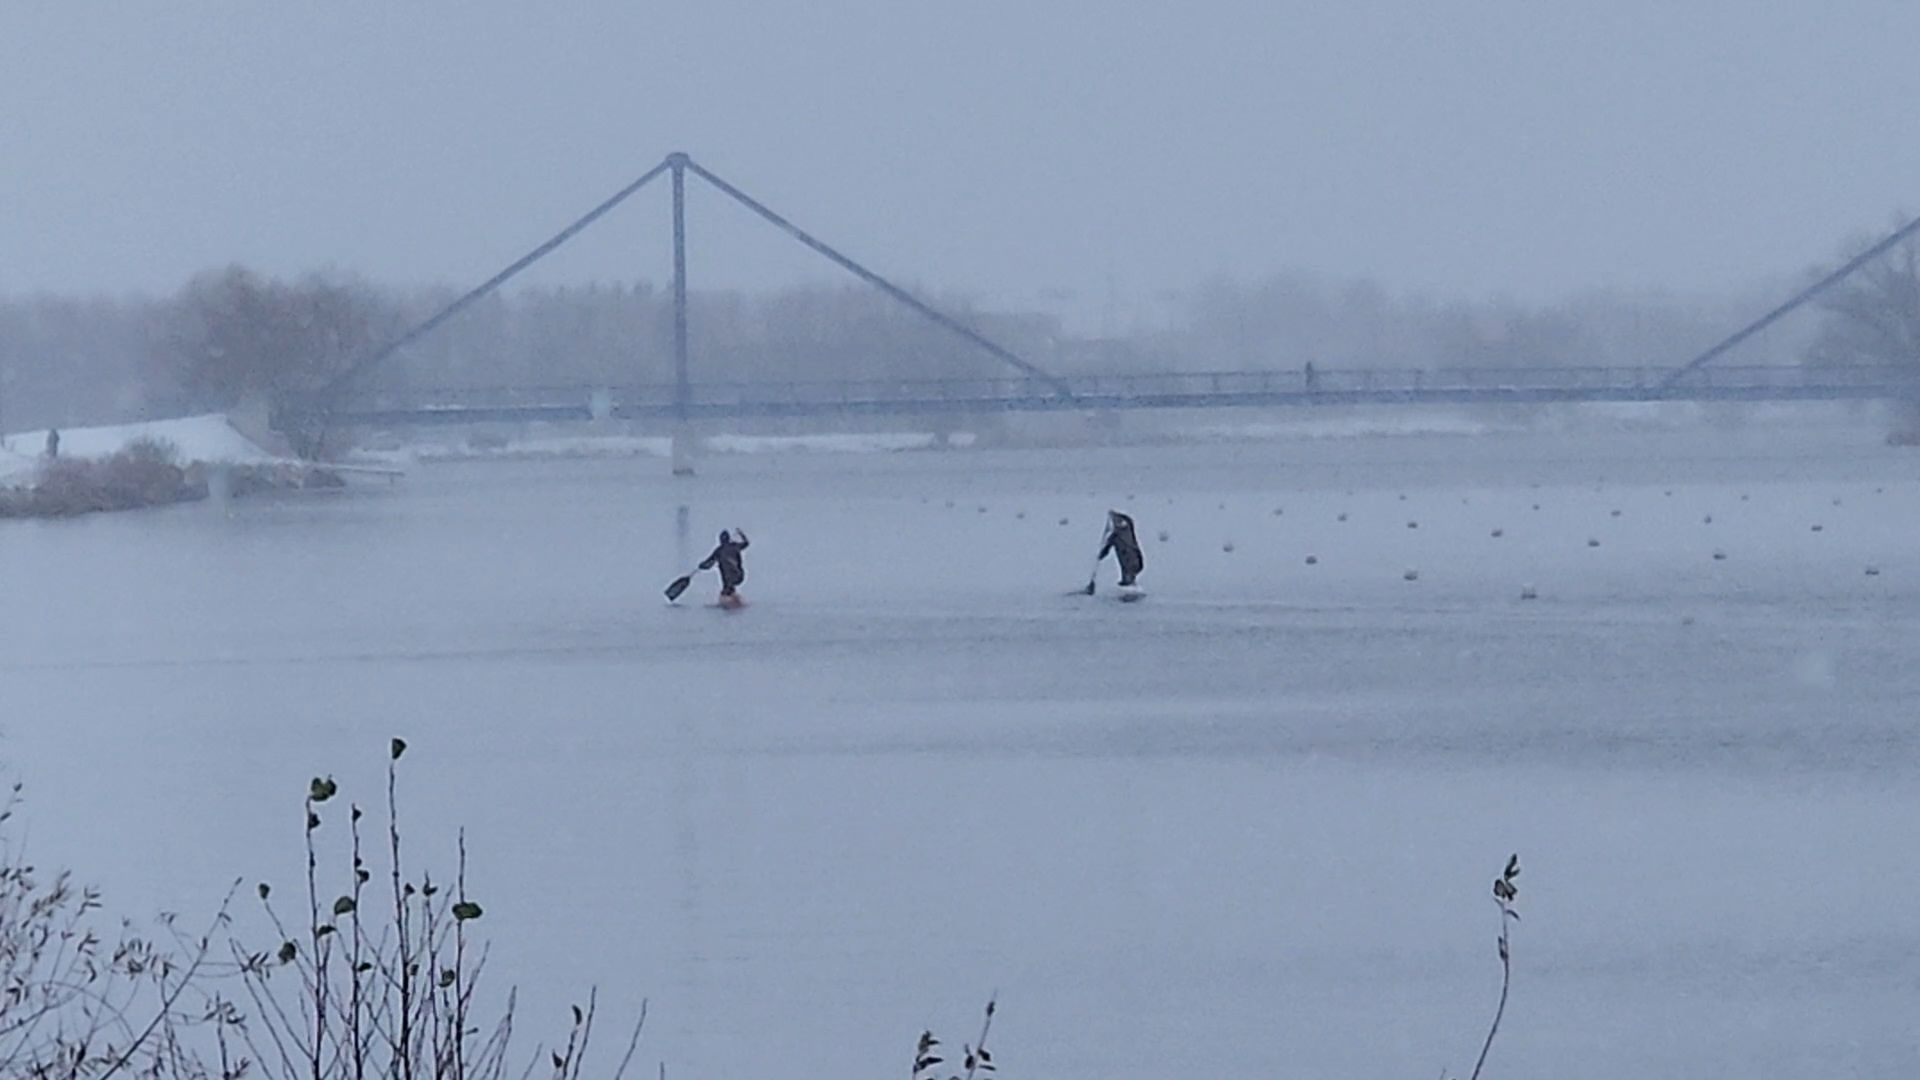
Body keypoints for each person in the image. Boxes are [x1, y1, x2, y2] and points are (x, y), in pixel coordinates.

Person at [699, 528, 750, 600]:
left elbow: (708, 563)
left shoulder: (719, 551)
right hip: (739, 577)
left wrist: (701, 565)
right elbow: (746, 543)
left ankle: (728, 595)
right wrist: (741, 534)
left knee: (726, 587)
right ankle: (732, 595)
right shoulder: (735, 546)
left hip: (729, 579)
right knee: (729, 585)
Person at [1098, 510, 1144, 587]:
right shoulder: (1116, 536)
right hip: (1127, 554)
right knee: (1127, 566)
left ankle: (1128, 583)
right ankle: (1128, 583)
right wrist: (1103, 552)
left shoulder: (1122, 534)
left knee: (1128, 566)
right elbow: (1109, 544)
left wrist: (1104, 552)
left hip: (1129, 555)